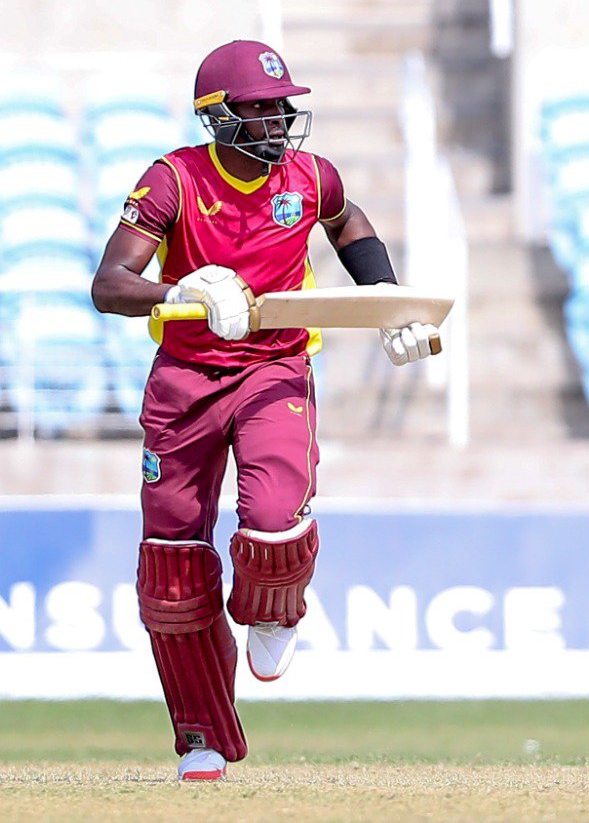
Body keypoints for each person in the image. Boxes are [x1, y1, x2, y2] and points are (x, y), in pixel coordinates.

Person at [90, 40, 441, 781]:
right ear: (218, 117)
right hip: (185, 375)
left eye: (284, 106)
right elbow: (110, 284)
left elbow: (349, 225)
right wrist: (180, 292)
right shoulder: (174, 180)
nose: (280, 120)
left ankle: (276, 607)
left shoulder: (312, 176)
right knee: (172, 566)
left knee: (276, 518)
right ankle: (201, 737)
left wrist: (389, 302)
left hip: (275, 366)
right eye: (259, 108)